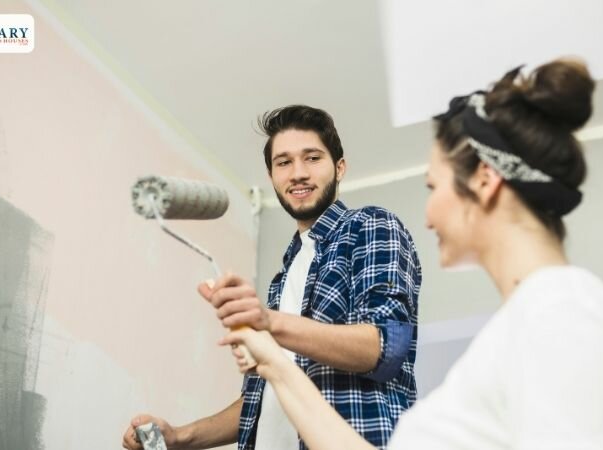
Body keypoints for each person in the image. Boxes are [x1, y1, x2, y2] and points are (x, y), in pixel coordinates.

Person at [218, 59, 603, 449]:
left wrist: (273, 330)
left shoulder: (566, 311)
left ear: (484, 180)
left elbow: (386, 346)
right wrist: (273, 360)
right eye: (283, 163)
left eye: (432, 187)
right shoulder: (511, 339)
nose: (426, 215)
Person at [122, 106, 422, 450]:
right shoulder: (283, 278)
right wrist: (181, 437)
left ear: (340, 168)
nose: (297, 173)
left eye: (312, 158)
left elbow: (386, 347)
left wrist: (269, 322)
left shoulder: (370, 226)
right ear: (272, 176)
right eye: (283, 162)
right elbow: (264, 400)